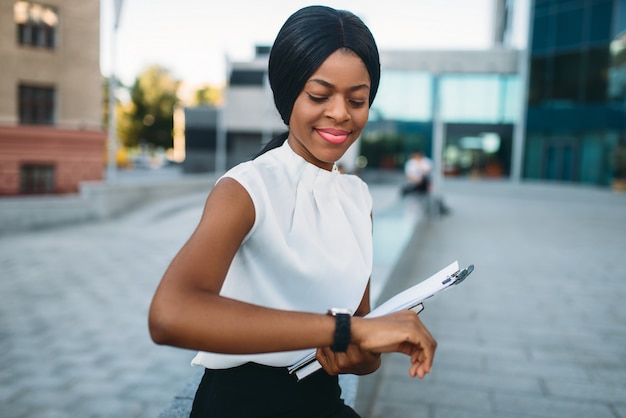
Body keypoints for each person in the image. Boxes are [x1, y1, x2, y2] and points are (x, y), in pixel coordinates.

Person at [148, 6, 437, 417]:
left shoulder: (358, 198)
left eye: (357, 99)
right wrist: (343, 330)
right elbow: (169, 314)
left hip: (322, 403)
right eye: (319, 96)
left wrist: (362, 352)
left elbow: (360, 333)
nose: (340, 113)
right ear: (288, 96)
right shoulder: (246, 188)